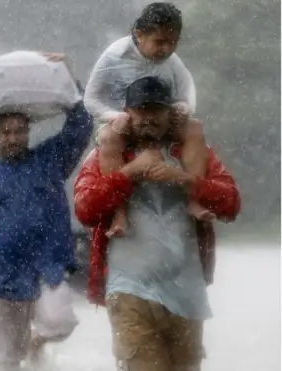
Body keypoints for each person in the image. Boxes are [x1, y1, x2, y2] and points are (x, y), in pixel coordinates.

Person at [74, 76, 241, 371]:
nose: (148, 119)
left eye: (156, 111)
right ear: (127, 112)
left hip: (187, 293)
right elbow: (85, 209)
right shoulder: (105, 154)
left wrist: (185, 180)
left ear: (170, 113)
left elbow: (230, 203)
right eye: (141, 110)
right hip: (129, 291)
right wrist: (128, 174)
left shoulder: (192, 154)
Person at [0, 64, 93, 371]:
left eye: (20, 131)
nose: (13, 138)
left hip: (45, 267)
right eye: (6, 132)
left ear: (28, 131)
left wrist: (66, 80)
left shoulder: (49, 161)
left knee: (60, 322)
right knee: (7, 361)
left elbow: (81, 125)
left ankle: (36, 343)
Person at [84, 2, 211, 238]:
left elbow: (188, 91)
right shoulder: (114, 55)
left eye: (173, 42)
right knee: (108, 136)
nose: (166, 49)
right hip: (122, 123)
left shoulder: (172, 61)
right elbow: (90, 99)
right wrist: (115, 116)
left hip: (162, 122)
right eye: (160, 42)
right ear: (139, 35)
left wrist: (183, 108)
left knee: (194, 128)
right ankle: (119, 212)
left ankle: (194, 199)